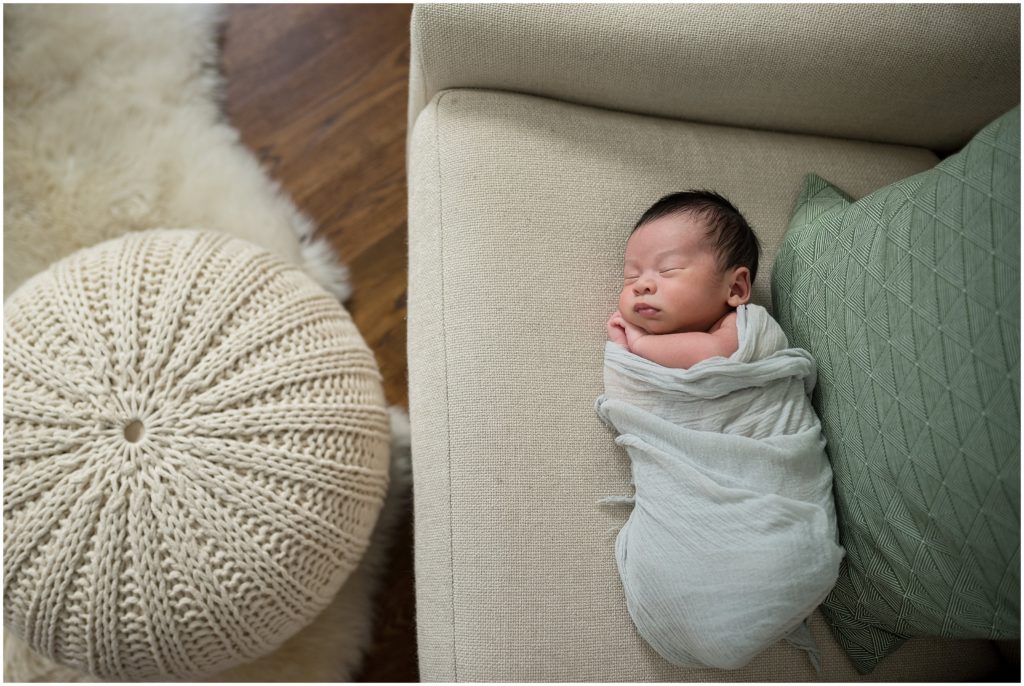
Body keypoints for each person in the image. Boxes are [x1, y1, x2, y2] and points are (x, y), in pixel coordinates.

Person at [607, 190, 761, 369]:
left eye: (667, 269)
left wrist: (640, 342)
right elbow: (632, 384)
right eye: (632, 276)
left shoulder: (740, 324)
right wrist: (622, 349)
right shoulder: (640, 337)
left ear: (736, 288)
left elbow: (713, 355)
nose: (641, 285)